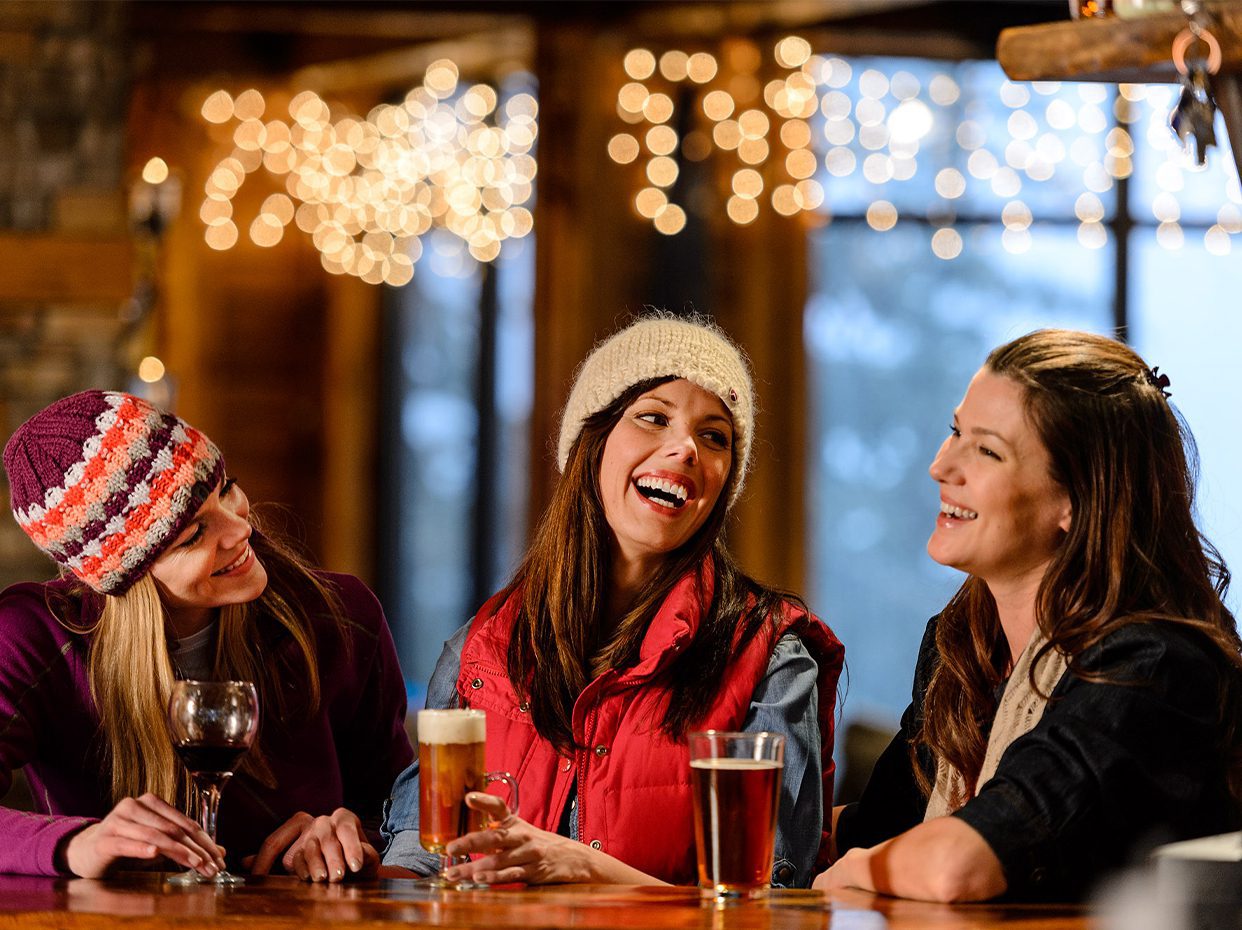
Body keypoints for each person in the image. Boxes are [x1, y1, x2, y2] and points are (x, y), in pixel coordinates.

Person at [381, 315, 844, 887]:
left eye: (714, 435)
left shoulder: (773, 656)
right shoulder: (483, 643)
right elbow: (420, 853)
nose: (685, 449)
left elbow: (770, 899)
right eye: (653, 417)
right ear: (591, 440)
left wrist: (590, 871)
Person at [815, 329, 1242, 902]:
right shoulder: (962, 645)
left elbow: (958, 864)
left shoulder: (1151, 666)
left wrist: (861, 869)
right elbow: (884, 829)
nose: (941, 466)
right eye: (955, 433)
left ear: (1076, 499)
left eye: (987, 450)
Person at [0, 390, 412, 881]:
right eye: (193, 535)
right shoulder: (33, 636)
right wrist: (74, 845)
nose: (240, 529)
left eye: (225, 490)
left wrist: (351, 835)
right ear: (125, 578)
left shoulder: (339, 614)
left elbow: (400, 810)